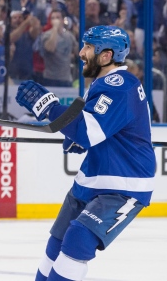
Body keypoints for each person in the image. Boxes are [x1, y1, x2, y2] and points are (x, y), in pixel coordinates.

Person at [15, 26, 155, 281]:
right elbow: (94, 131)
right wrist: (75, 137)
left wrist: (49, 106)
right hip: (91, 178)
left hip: (124, 185)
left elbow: (88, 132)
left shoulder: (119, 84)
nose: (81, 53)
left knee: (78, 239)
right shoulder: (103, 84)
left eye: (88, 47)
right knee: (56, 242)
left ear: (106, 56)